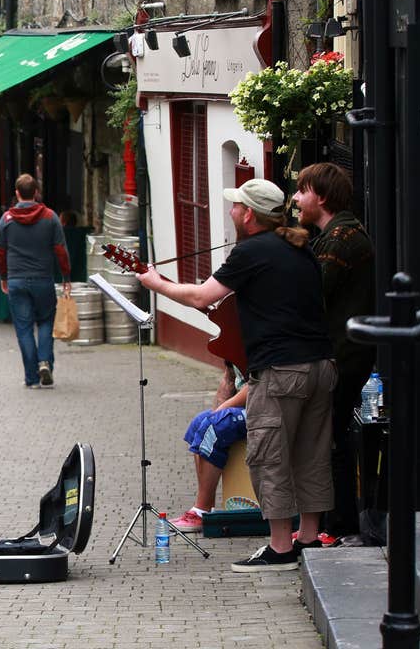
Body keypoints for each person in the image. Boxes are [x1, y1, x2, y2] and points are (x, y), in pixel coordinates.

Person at [136, 179, 336, 572]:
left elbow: (202, 297)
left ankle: (281, 549)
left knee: (270, 457)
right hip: (320, 366)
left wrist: (155, 283)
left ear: (248, 214)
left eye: (235, 207)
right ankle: (309, 538)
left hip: (281, 371)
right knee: (311, 455)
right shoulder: (300, 248)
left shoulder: (250, 251)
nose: (231, 212)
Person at [292, 162, 376, 539]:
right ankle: (332, 521)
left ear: (320, 196)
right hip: (342, 352)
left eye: (301, 190)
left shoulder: (341, 238)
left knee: (332, 440)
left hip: (343, 355)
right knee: (330, 439)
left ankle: (338, 523)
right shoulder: (336, 233)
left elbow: (313, 293)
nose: (295, 198)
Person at [0, 174, 71, 389]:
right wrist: (66, 276)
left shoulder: (7, 220)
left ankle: (31, 377)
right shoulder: (49, 217)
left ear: (17, 193)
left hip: (17, 280)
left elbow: (1, 252)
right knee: (46, 321)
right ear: (36, 192)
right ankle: (45, 361)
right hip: (43, 279)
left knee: (24, 328)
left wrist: (3, 277)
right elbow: (60, 250)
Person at [169, 364, 249, 532]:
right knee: (200, 423)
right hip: (245, 404)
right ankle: (206, 509)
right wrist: (215, 414)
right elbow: (229, 378)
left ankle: (201, 509)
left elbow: (256, 385)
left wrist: (218, 416)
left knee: (213, 427)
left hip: (266, 405)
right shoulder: (234, 341)